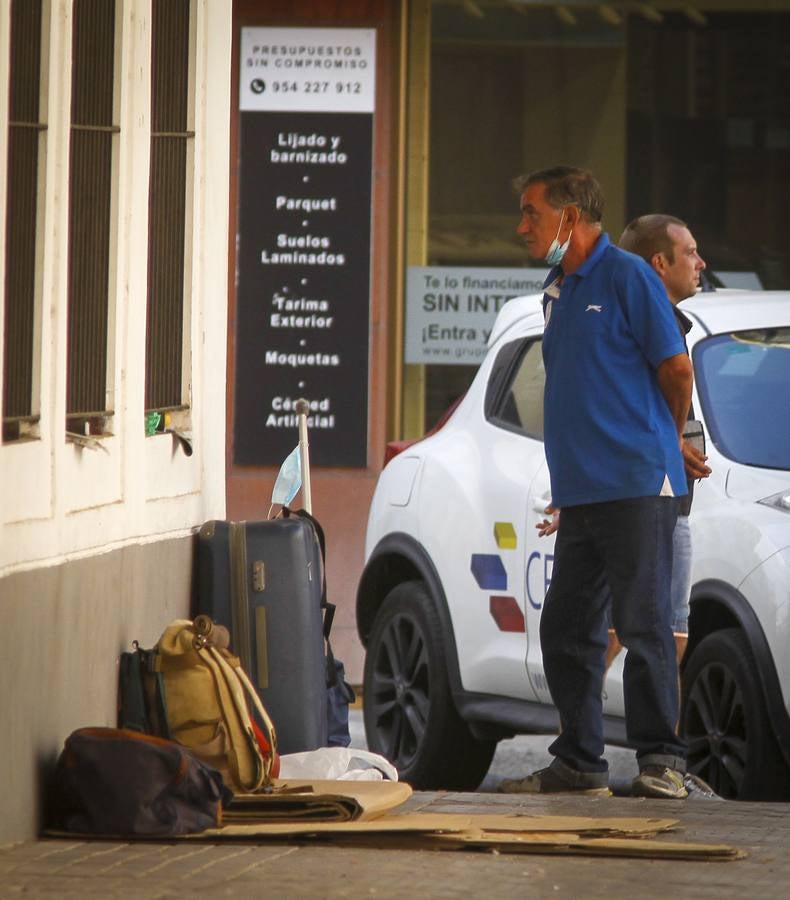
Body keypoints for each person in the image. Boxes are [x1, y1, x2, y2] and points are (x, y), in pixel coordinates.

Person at [500, 166, 695, 799]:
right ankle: (581, 763)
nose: (522, 226)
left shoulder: (628, 275)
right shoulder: (557, 289)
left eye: (533, 213)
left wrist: (663, 441)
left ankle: (662, 761)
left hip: (636, 485)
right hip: (584, 494)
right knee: (567, 630)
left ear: (571, 216)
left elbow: (676, 367)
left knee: (643, 624)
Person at [615, 214, 712, 667]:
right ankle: (581, 736)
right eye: (690, 252)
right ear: (659, 262)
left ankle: (659, 740)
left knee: (670, 637)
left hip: (672, 502)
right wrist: (671, 441)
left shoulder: (670, 321)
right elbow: (614, 407)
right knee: (614, 635)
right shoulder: (630, 323)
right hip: (637, 501)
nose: (701, 262)